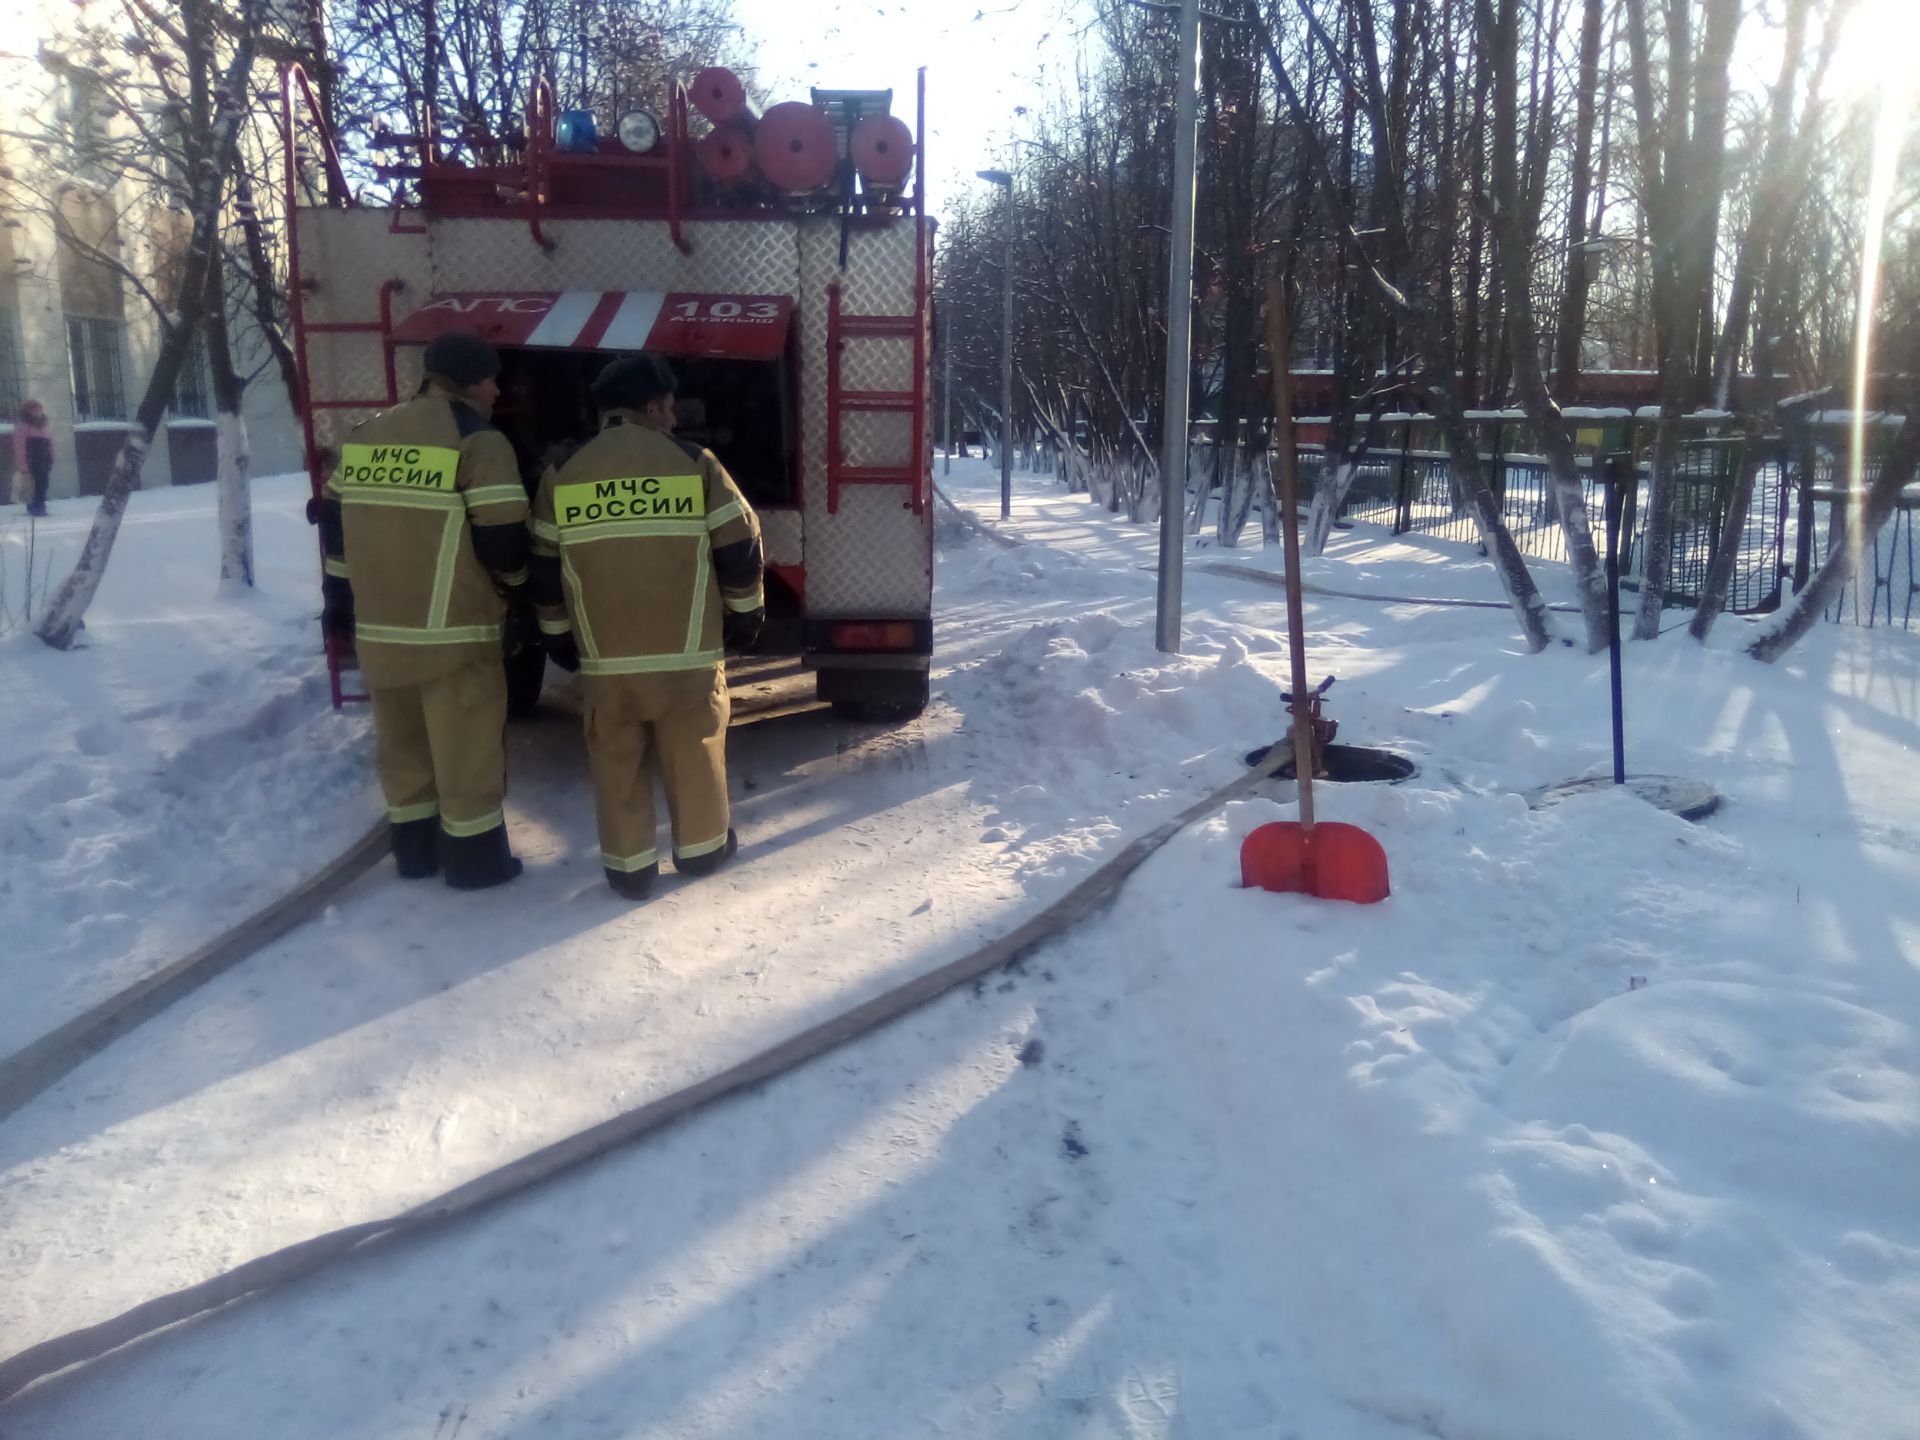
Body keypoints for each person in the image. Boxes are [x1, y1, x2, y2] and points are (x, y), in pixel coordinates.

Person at [531, 354, 764, 899]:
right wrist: (745, 616)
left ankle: (629, 868)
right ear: (653, 406)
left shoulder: (562, 474)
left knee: (615, 759)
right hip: (687, 657)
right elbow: (740, 548)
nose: (675, 420)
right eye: (669, 408)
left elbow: (545, 570)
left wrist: (558, 634)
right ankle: (703, 850)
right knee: (695, 750)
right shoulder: (695, 463)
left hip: (607, 663)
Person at [317, 330, 532, 890]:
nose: (497, 388)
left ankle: (414, 854)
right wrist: (516, 590)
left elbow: (336, 529)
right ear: (465, 381)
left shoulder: (363, 437)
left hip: (381, 631)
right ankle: (476, 864)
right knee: (466, 755)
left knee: (403, 751)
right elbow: (504, 538)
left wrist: (339, 599)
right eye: (490, 376)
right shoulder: (478, 442)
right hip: (453, 634)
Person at [12, 399, 53, 516]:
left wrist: (51, 458)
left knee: (43, 483)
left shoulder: (44, 424)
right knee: (32, 485)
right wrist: (23, 465)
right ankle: (35, 507)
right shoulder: (22, 426)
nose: (38, 412)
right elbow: (19, 447)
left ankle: (40, 505)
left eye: (39, 409)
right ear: (28, 411)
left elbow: (49, 443)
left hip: (44, 459)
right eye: (35, 410)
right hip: (31, 460)